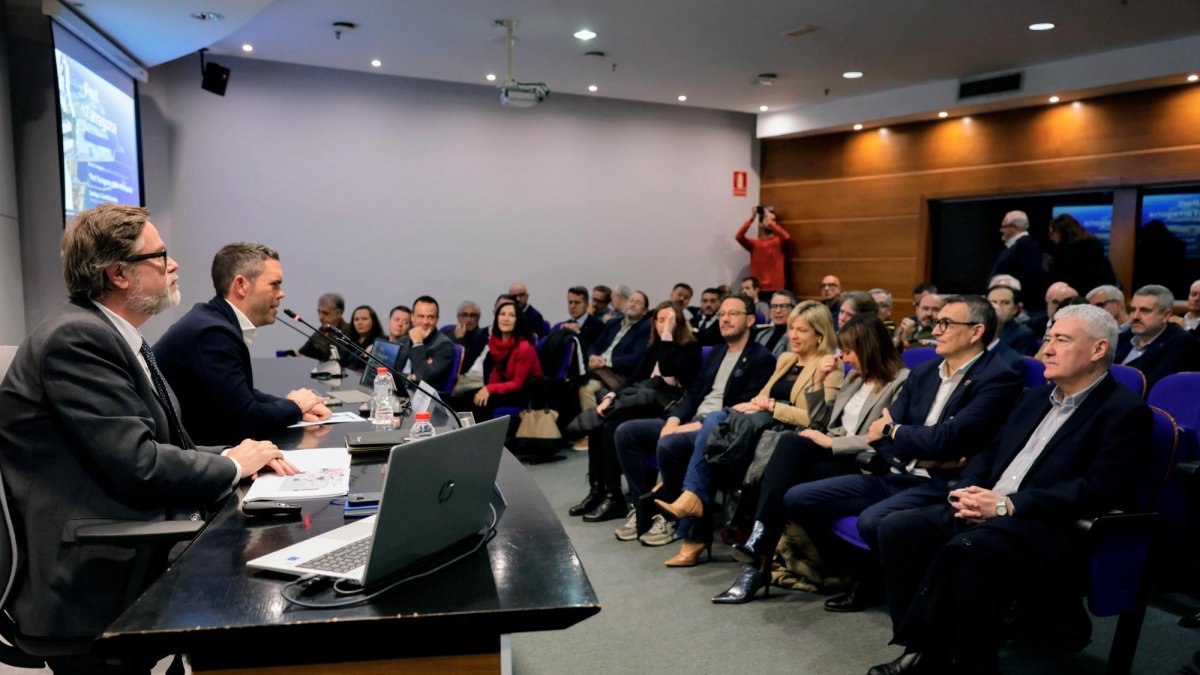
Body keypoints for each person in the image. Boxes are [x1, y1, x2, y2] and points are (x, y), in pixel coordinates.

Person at [0, 205, 294, 667]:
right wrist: (234, 465)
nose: (173, 265)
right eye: (161, 256)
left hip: (123, 546)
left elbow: (163, 444)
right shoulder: (77, 339)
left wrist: (235, 454)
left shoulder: (111, 334)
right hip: (91, 574)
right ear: (120, 273)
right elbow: (139, 464)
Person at [870, 304, 1151, 675]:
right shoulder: (1033, 397)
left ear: (1098, 350)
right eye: (1047, 338)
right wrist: (970, 489)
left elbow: (1099, 489)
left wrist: (1007, 505)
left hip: (1047, 525)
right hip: (990, 509)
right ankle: (929, 649)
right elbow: (990, 451)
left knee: (967, 549)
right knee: (898, 528)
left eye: (1061, 340)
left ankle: (967, 662)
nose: (1046, 349)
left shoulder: (1123, 412)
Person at [780, 295, 1022, 613]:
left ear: (976, 332)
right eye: (936, 322)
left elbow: (945, 438)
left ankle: (904, 599)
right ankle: (865, 575)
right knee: (798, 499)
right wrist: (911, 448)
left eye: (946, 323)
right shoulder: (923, 372)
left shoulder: (997, 378)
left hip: (939, 484)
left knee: (872, 521)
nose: (936, 330)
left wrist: (898, 433)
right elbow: (878, 436)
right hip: (895, 472)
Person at [713, 314, 909, 603]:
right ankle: (760, 552)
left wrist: (832, 442)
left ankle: (757, 553)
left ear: (869, 348)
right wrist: (817, 382)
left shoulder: (900, 382)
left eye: (850, 351)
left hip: (866, 461)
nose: (844, 357)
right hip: (836, 453)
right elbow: (823, 422)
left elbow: (883, 436)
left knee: (785, 473)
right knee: (789, 445)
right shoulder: (856, 378)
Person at [655, 300, 843, 567]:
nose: (793, 335)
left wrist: (773, 407)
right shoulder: (787, 360)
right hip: (760, 428)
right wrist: (760, 404)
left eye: (802, 330)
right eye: (791, 329)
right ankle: (692, 510)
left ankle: (693, 520)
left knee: (713, 433)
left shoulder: (828, 366)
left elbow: (818, 420)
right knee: (713, 427)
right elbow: (762, 396)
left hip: (788, 436)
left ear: (820, 334)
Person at [609, 296, 775, 537]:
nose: (725, 319)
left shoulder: (761, 359)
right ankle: (643, 507)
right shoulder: (716, 353)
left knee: (669, 444)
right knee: (626, 432)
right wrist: (674, 420)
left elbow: (739, 410)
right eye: (722, 315)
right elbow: (694, 392)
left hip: (719, 428)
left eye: (733, 314)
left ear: (750, 320)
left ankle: (668, 517)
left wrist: (686, 428)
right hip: (691, 421)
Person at [154, 242, 331, 445]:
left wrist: (294, 407)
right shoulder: (212, 333)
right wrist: (295, 406)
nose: (281, 293)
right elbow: (245, 420)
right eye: (275, 284)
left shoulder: (212, 320)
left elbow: (240, 395)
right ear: (241, 286)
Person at [571, 302, 702, 527]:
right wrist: (612, 395)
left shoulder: (689, 347)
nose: (664, 324)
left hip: (666, 406)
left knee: (610, 427)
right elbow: (634, 378)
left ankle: (614, 497)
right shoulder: (654, 347)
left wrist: (668, 337)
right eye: (660, 320)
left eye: (669, 319)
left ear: (678, 322)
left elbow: (670, 370)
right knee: (599, 425)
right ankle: (598, 490)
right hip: (643, 401)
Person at [1115, 284, 1200, 389]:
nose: (1135, 316)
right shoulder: (1123, 337)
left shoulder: (1182, 343)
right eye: (1133, 310)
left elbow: (1150, 386)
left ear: (1165, 316)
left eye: (1145, 310)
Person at [577, 291, 651, 411]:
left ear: (644, 311)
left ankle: (591, 425)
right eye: (631, 300)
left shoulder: (645, 328)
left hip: (617, 374)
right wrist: (592, 356)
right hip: (597, 367)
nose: (632, 304)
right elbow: (595, 345)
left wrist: (606, 361)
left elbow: (636, 358)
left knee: (586, 388)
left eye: (637, 303)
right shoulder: (613, 323)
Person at [470, 299, 543, 419]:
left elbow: (518, 383)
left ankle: (484, 437)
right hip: (506, 390)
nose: (506, 318)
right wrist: (486, 390)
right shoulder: (495, 343)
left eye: (511, 315)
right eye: (502, 314)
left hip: (524, 394)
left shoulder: (524, 347)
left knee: (484, 404)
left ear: (518, 320)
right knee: (469, 398)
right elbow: (496, 374)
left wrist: (489, 389)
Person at [1046, 213, 1117, 297]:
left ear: (1062, 232)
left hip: (1072, 298)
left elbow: (1056, 280)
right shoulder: (1095, 246)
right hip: (1095, 296)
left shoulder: (1063, 253)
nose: (1050, 237)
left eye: (1052, 233)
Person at [394, 295, 456, 387]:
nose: (425, 322)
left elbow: (424, 378)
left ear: (437, 319)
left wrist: (418, 343)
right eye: (421, 316)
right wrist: (411, 377)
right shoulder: (404, 340)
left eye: (431, 317)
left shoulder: (445, 346)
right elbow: (389, 372)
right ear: (412, 317)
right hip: (397, 392)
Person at [989, 210, 1046, 310]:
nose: (1001, 230)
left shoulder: (1026, 244)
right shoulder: (1015, 246)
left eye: (1003, 226)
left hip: (1017, 304)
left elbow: (1032, 275)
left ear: (1014, 227)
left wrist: (1015, 299)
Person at [736, 206, 791, 296]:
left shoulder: (779, 241)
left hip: (776, 288)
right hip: (757, 289)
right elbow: (739, 236)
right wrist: (752, 219)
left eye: (773, 220)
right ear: (760, 224)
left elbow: (787, 237)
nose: (770, 221)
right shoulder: (754, 244)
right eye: (766, 219)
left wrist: (771, 224)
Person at [292, 292, 351, 361]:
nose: (320, 317)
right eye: (319, 312)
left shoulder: (349, 331)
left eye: (325, 313)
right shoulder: (320, 332)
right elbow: (302, 353)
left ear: (338, 313)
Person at [987, 285, 1037, 355]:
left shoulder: (1024, 334)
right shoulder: (979, 329)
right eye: (993, 302)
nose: (997, 307)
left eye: (1005, 303)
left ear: (1016, 309)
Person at [440, 300, 487, 371]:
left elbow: (465, 364)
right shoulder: (447, 330)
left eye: (473, 315)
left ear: (478, 318)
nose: (468, 319)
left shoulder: (481, 336)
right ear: (458, 317)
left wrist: (460, 339)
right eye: (465, 315)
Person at [560, 285, 604, 351]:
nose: (572, 306)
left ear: (587, 305)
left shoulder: (598, 326)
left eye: (577, 303)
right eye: (570, 302)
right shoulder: (565, 325)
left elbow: (594, 350)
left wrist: (578, 332)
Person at [753, 290, 797, 356]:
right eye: (774, 306)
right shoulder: (762, 335)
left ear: (793, 309)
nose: (778, 311)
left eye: (783, 306)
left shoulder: (795, 338)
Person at [345, 304, 383, 369]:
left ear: (373, 321)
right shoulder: (348, 340)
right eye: (356, 319)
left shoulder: (379, 343)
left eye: (364, 319)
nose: (359, 322)